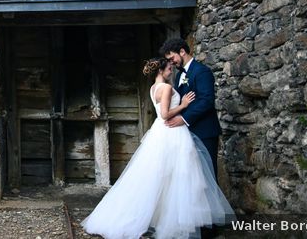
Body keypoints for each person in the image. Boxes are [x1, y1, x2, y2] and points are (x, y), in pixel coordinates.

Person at [81, 56, 233, 239]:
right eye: (169, 68)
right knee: (179, 175)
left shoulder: (154, 88)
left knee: (163, 175)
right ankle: (175, 220)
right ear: (161, 70)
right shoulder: (167, 87)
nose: (171, 70)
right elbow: (165, 114)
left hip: (160, 133)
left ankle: (165, 218)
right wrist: (184, 105)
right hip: (171, 132)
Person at [160, 37, 222, 179]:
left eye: (172, 58)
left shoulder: (202, 71)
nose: (171, 62)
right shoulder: (180, 74)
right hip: (186, 134)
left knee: (208, 176)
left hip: (204, 131)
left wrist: (184, 118)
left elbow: (207, 100)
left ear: (182, 51)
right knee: (194, 178)